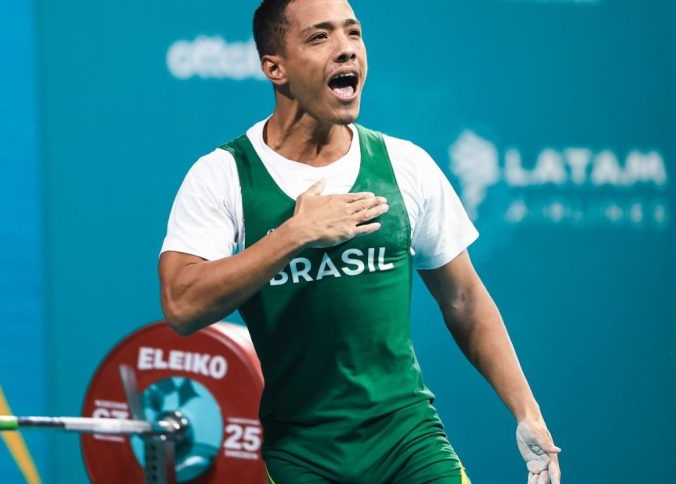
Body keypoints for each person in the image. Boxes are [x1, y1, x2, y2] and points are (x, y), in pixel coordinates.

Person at [158, 0, 561, 482]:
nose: (346, 50)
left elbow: (464, 300)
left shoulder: (405, 165)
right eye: (319, 37)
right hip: (299, 457)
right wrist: (295, 234)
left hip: (409, 444)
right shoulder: (222, 176)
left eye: (354, 33)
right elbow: (182, 305)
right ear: (275, 68)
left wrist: (526, 409)